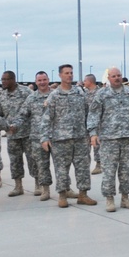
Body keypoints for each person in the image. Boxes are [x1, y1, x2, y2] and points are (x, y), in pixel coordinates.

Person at [88, 67, 129, 212]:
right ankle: (109, 199)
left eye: (119, 75)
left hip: (127, 137)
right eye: (114, 76)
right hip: (109, 139)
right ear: (108, 78)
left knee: (126, 170)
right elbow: (93, 114)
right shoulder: (102, 94)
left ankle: (125, 198)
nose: (117, 78)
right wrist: (93, 133)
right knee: (109, 170)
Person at [42, 64, 98, 208]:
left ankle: (83, 194)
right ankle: (62, 195)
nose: (69, 75)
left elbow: (88, 114)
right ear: (60, 75)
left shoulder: (80, 93)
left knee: (83, 167)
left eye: (71, 73)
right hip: (61, 139)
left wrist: (91, 133)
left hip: (80, 137)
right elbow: (47, 117)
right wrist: (45, 137)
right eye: (66, 73)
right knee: (61, 168)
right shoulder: (54, 95)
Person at [11, 71, 53, 197]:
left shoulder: (55, 95)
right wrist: (14, 126)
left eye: (44, 79)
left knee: (61, 165)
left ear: (48, 80)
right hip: (37, 137)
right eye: (39, 80)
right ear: (36, 82)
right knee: (41, 165)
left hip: (56, 136)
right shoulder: (31, 98)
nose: (42, 82)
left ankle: (65, 189)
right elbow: (22, 115)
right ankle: (45, 189)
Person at [0, 71, 34, 196]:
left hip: (28, 133)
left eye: (6, 79)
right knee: (15, 161)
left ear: (13, 79)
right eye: (2, 79)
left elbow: (34, 110)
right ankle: (18, 186)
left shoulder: (26, 92)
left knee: (33, 160)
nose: (3, 82)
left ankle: (39, 185)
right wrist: (2, 125)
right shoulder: (2, 96)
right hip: (12, 136)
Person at [83, 73, 102, 175]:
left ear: (90, 82)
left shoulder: (100, 93)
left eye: (85, 81)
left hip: (97, 123)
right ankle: (85, 166)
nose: (83, 82)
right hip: (86, 123)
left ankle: (99, 164)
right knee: (86, 145)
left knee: (97, 145)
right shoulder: (84, 93)